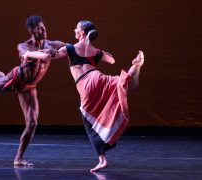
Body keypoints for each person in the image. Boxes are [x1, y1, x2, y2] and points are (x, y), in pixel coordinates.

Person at [31, 20, 144, 172]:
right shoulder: (96, 52)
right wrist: (100, 52)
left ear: (82, 33)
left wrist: (30, 53)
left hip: (85, 85)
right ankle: (136, 66)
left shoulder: (70, 48)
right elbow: (112, 60)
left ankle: (102, 158)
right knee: (123, 84)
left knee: (89, 124)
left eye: (76, 28)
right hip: (98, 78)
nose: (74, 29)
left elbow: (50, 56)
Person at [0, 15, 65, 167]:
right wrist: (44, 53)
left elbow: (72, 48)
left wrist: (87, 45)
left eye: (43, 26)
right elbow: (28, 54)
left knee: (32, 123)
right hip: (15, 79)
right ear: (32, 31)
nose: (43, 29)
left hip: (29, 88)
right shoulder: (23, 46)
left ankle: (18, 159)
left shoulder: (52, 43)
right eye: (39, 28)